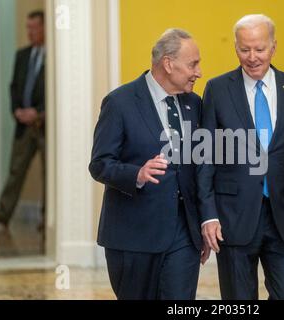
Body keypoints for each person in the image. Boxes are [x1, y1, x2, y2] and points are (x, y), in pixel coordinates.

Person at [197, 14, 284, 300]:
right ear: (236, 48)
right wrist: (208, 215)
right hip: (232, 217)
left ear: (273, 47)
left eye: (259, 49)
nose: (252, 57)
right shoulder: (217, 90)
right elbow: (205, 157)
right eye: (245, 49)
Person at [89, 29, 207, 300]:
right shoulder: (120, 102)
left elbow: (202, 165)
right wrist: (137, 174)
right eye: (193, 64)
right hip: (133, 235)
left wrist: (203, 222)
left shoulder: (194, 104)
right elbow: (100, 163)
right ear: (168, 63)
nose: (199, 72)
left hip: (183, 234)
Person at [0, 11, 46, 229]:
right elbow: (13, 87)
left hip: (44, 125)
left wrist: (39, 113)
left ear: (44, 28)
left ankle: (45, 217)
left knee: (47, 173)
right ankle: (4, 211)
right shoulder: (22, 55)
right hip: (24, 125)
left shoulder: (55, 59)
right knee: (16, 169)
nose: (30, 32)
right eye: (27, 28)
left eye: (34, 28)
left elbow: (55, 93)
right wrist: (17, 111)